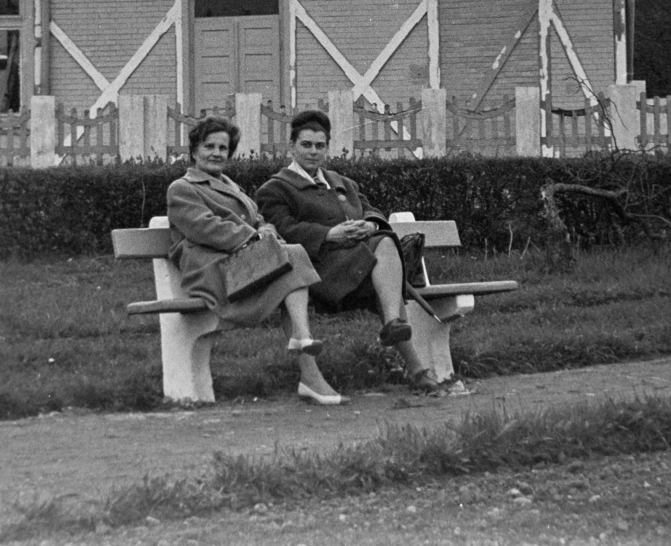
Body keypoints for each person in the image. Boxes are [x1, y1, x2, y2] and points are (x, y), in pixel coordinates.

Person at [255, 109, 468, 396]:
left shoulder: (342, 182)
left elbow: (373, 211)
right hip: (318, 273)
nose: (313, 152)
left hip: (357, 267)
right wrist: (330, 234)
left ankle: (401, 336)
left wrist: (368, 224)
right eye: (306, 145)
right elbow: (283, 229)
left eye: (320, 146)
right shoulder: (276, 188)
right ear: (291, 146)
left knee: (384, 244)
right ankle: (411, 355)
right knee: (385, 261)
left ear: (327, 147)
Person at [165, 115, 345, 406]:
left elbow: (259, 219)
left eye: (223, 148)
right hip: (213, 272)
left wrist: (265, 231)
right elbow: (206, 228)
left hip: (241, 265)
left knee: (292, 262)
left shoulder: (229, 185)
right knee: (295, 256)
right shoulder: (182, 188)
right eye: (209, 146)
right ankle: (303, 344)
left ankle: (308, 363)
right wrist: (254, 237)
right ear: (195, 150)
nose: (216, 153)